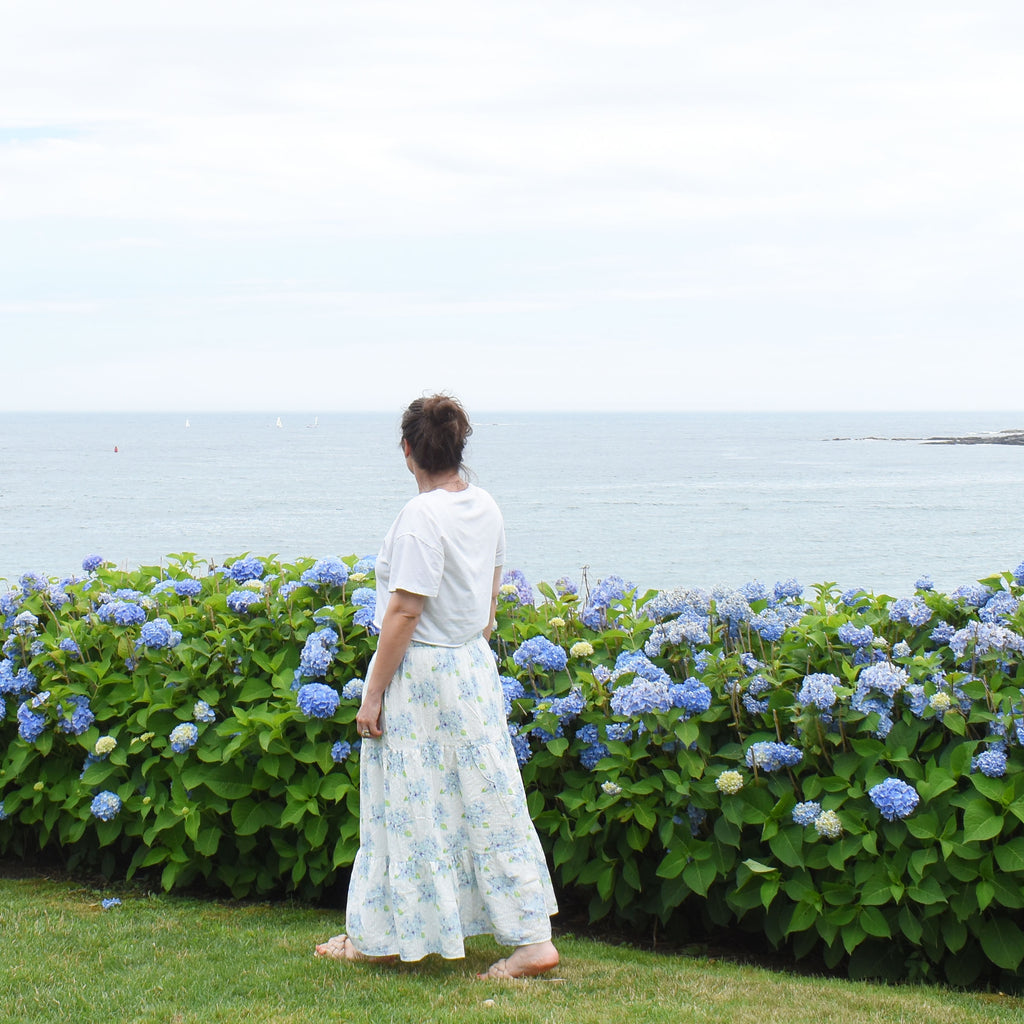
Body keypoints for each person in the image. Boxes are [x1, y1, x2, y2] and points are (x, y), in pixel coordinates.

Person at [315, 394, 559, 979]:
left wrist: (372, 693)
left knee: (405, 805)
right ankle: (530, 937)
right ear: (459, 449)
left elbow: (403, 612)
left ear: (408, 451)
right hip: (472, 668)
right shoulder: (486, 506)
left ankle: (378, 936)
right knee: (490, 801)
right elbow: (490, 597)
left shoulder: (421, 517)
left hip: (425, 676)